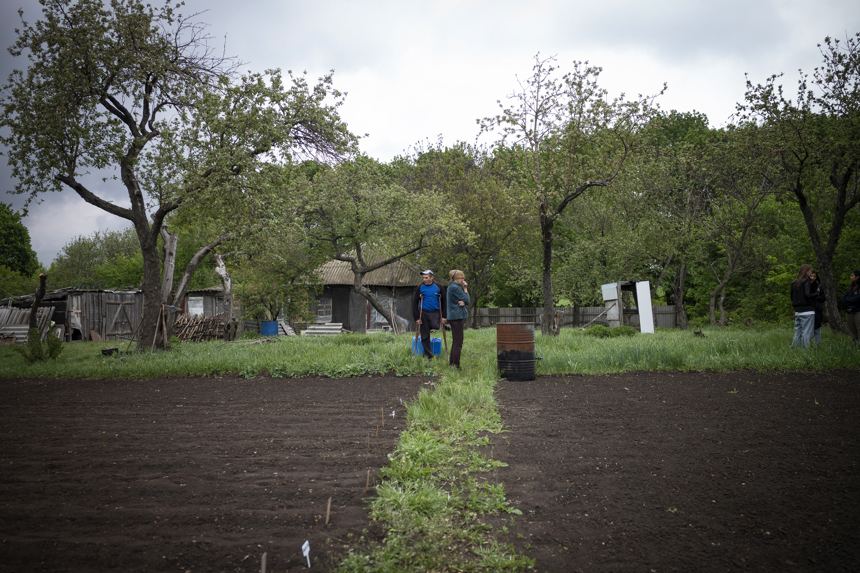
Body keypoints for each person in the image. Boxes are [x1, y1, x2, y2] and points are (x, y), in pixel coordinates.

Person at [412, 270, 447, 360]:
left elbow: (444, 302)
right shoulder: (420, 287)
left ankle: (430, 335)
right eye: (423, 278)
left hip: (435, 312)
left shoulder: (439, 287)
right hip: (423, 313)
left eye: (426, 277)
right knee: (425, 335)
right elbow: (415, 302)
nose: (424, 279)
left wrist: (444, 316)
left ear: (432, 277)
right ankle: (429, 356)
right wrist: (416, 317)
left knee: (435, 327)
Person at [446, 269, 470, 369]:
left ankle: (452, 363)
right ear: (457, 279)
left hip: (453, 317)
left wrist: (463, 301)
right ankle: (456, 365)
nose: (463, 280)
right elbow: (467, 300)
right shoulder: (456, 288)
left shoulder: (451, 286)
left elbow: (464, 301)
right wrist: (465, 289)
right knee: (458, 342)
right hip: (456, 317)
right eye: (462, 278)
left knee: (456, 341)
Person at [790, 264, 817, 348]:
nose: (810, 272)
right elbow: (807, 295)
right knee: (807, 332)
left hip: (797, 311)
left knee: (798, 331)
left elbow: (792, 297)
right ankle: (806, 351)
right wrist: (817, 293)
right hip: (807, 310)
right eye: (809, 271)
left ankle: (795, 349)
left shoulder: (794, 282)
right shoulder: (806, 281)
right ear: (806, 271)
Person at [842, 269, 860, 344]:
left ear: (857, 277)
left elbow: (858, 298)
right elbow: (844, 299)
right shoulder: (850, 288)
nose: (850, 277)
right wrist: (851, 300)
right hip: (850, 312)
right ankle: (855, 348)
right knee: (852, 332)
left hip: (858, 312)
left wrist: (849, 299)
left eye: (852, 275)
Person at [809, 270, 826, 345]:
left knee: (817, 328)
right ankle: (807, 346)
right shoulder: (805, 285)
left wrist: (817, 296)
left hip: (817, 309)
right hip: (808, 309)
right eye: (811, 276)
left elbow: (823, 298)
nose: (812, 278)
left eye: (814, 276)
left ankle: (817, 346)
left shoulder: (819, 286)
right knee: (808, 328)